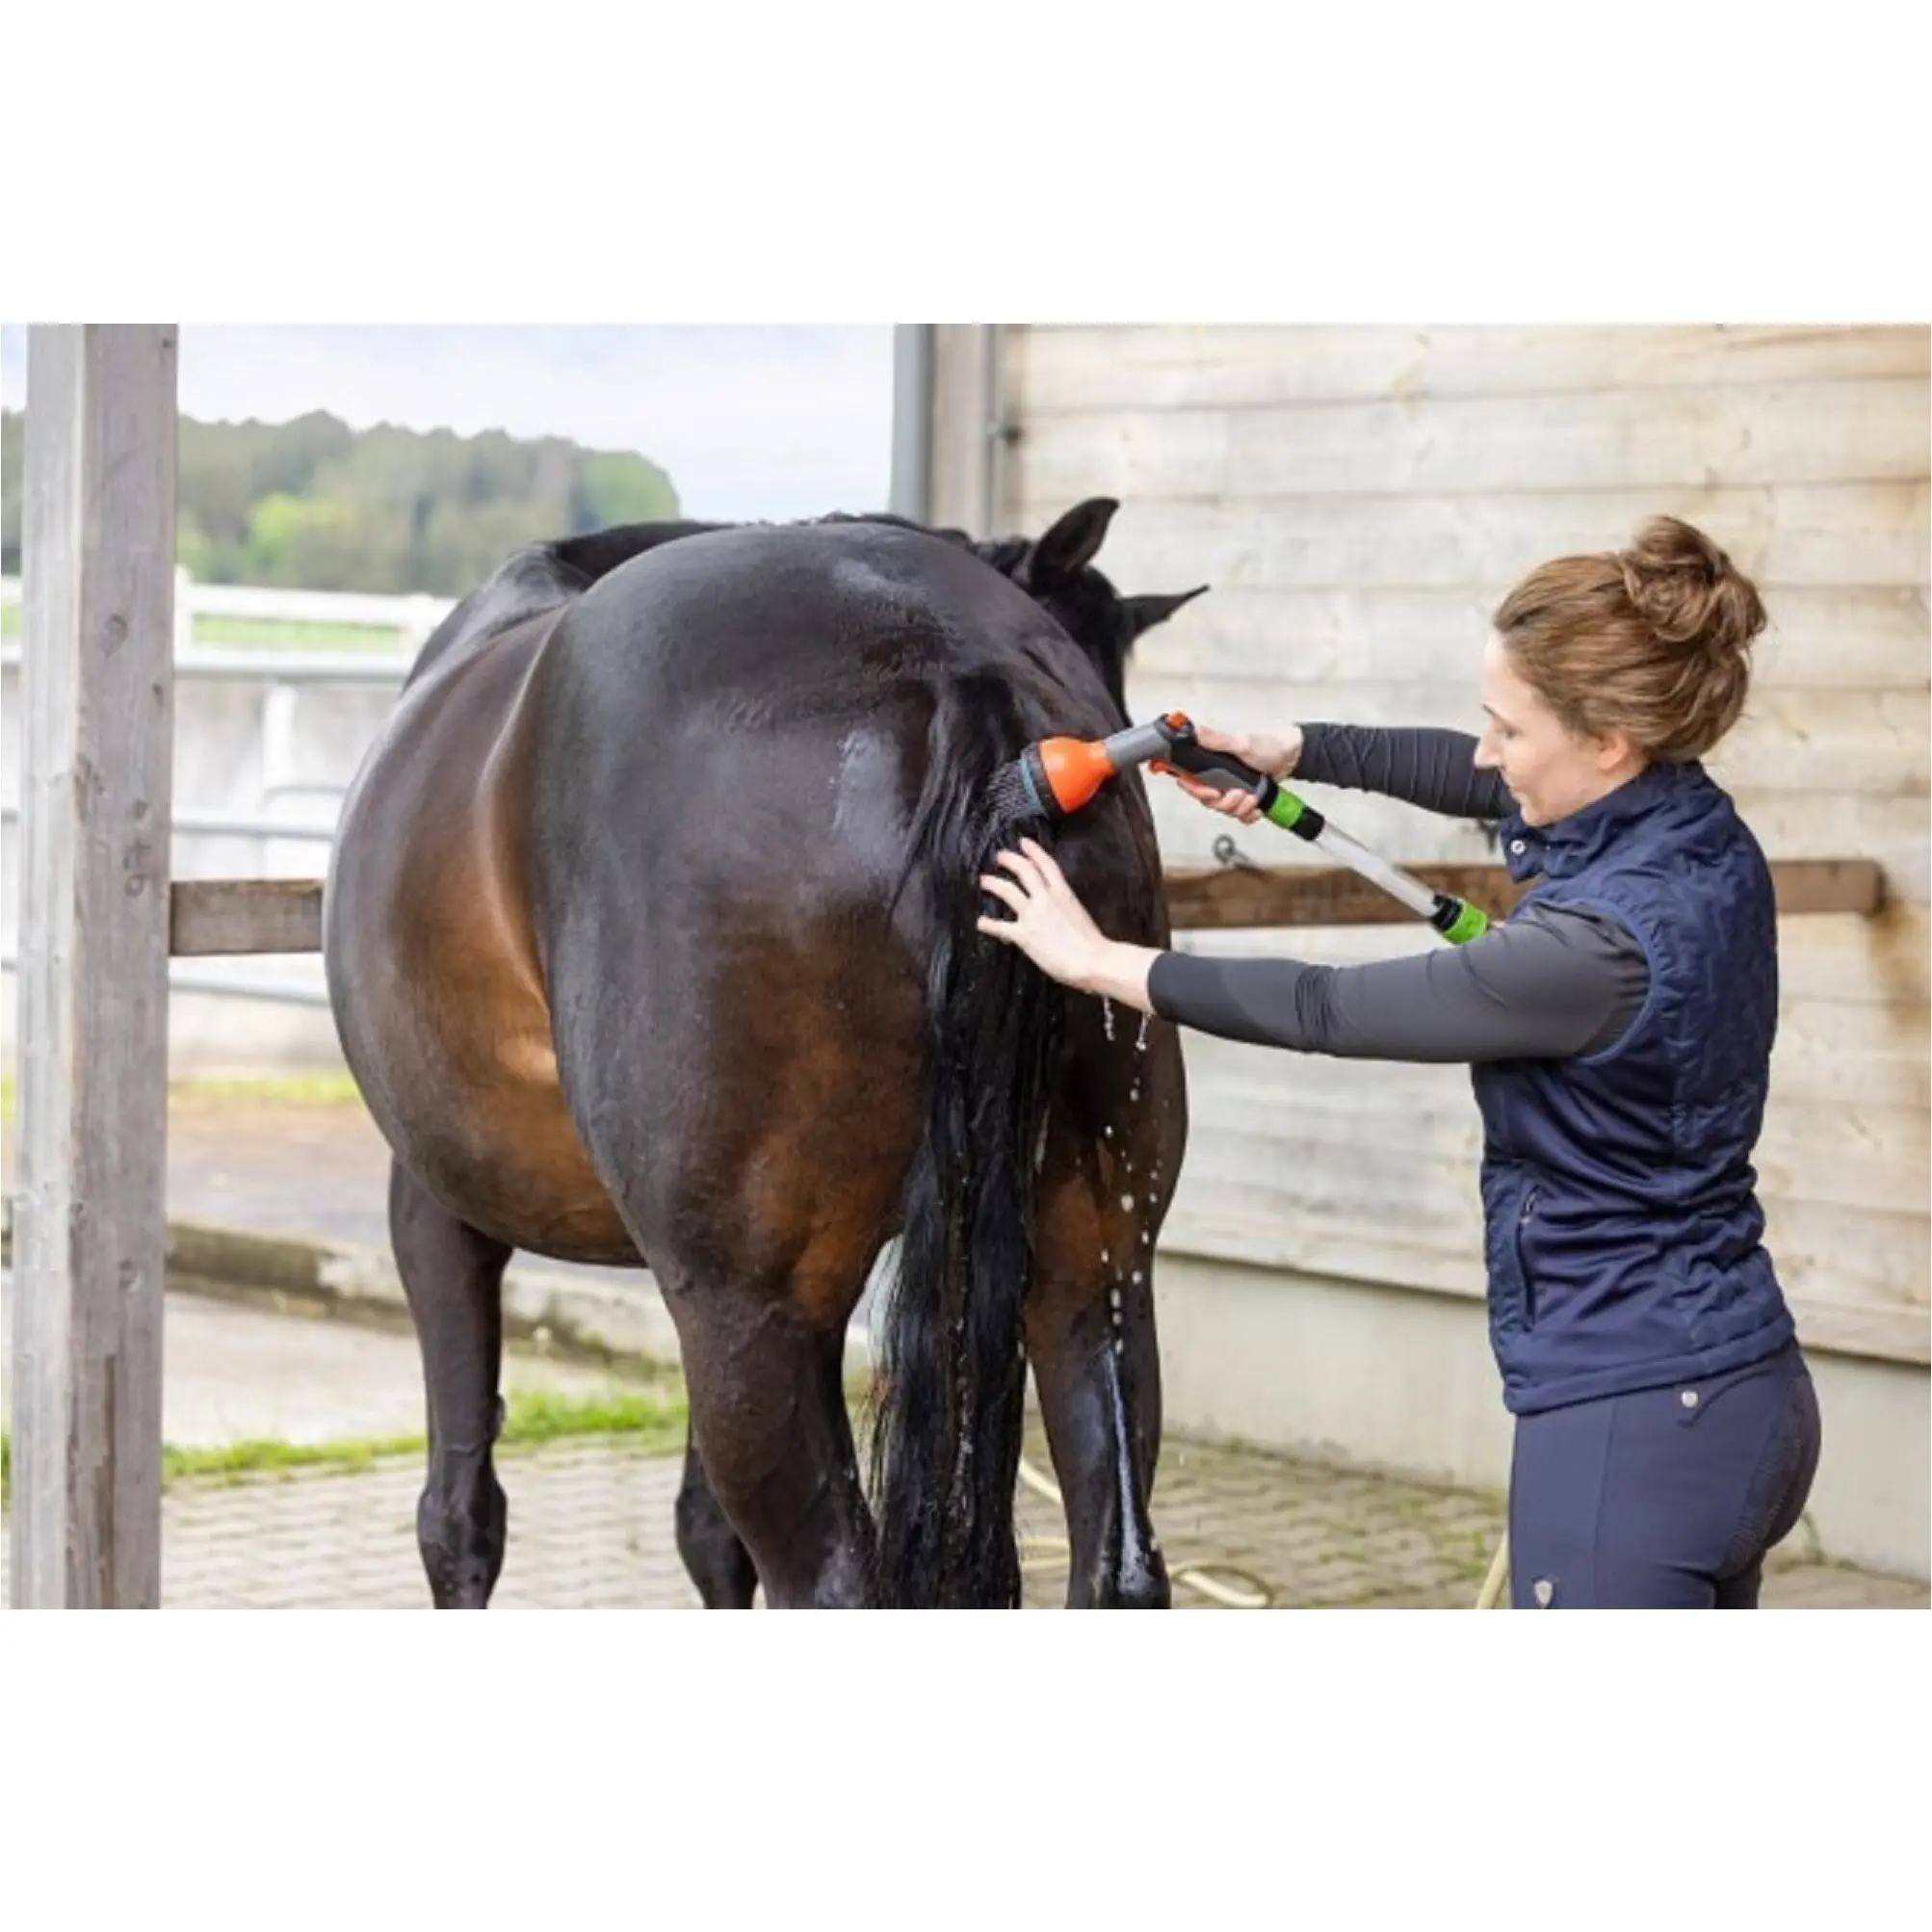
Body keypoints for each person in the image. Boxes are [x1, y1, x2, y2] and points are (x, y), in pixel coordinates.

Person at [978, 515, 1822, 1609]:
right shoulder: (1692, 834)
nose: (1484, 752)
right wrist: (1295, 747)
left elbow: (1327, 1007)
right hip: (1738, 1385)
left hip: (1633, 1427)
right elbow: (1479, 784)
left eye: (1506, 730)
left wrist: (1100, 962)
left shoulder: (1589, 952)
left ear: (1607, 739)